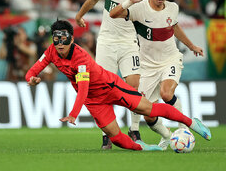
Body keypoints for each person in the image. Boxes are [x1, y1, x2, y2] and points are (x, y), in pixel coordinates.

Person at [26, 19, 211, 151]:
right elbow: (33, 70)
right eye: (56, 38)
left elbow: (82, 88)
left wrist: (73, 114)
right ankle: (144, 148)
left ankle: (191, 122)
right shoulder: (51, 51)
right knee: (117, 140)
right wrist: (31, 78)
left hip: (110, 87)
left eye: (63, 38)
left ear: (72, 39)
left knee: (149, 110)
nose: (59, 43)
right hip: (94, 101)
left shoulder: (80, 57)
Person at [110, 0, 204, 150]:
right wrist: (130, 1)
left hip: (170, 60)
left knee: (166, 93)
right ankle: (167, 136)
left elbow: (174, 27)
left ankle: (184, 128)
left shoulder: (172, 8)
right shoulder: (139, 9)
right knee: (146, 112)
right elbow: (113, 14)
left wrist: (192, 46)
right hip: (147, 67)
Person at [75, 0, 147, 149]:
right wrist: (80, 15)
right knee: (103, 89)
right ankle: (106, 135)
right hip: (106, 42)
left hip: (129, 44)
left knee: (133, 86)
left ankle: (134, 129)